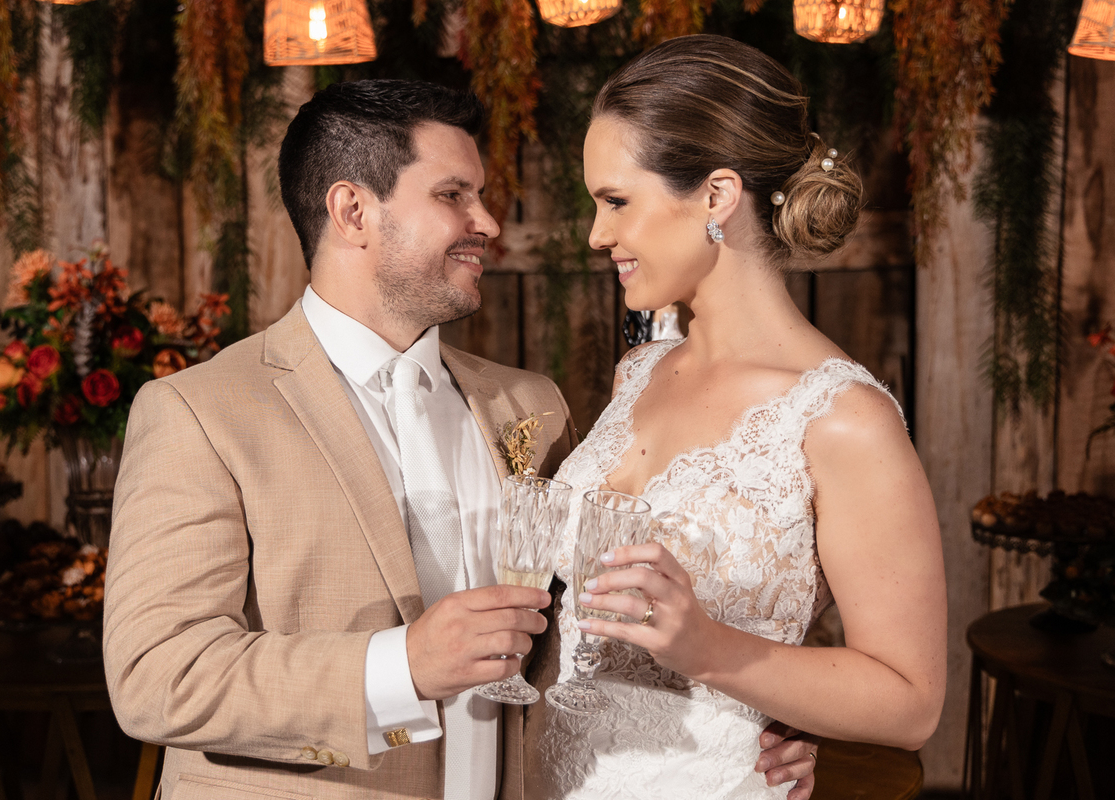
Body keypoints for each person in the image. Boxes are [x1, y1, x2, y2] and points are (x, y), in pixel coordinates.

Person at [103, 78, 820, 800]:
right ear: (353, 211)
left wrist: (755, 717)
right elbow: (157, 677)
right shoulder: (199, 413)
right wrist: (403, 667)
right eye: (453, 195)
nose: (488, 222)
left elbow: (587, 626)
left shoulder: (530, 404)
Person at [527, 35, 947, 800]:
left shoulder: (843, 419)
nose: (596, 234)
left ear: (717, 196)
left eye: (616, 201)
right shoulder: (638, 372)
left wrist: (710, 650)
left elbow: (911, 702)